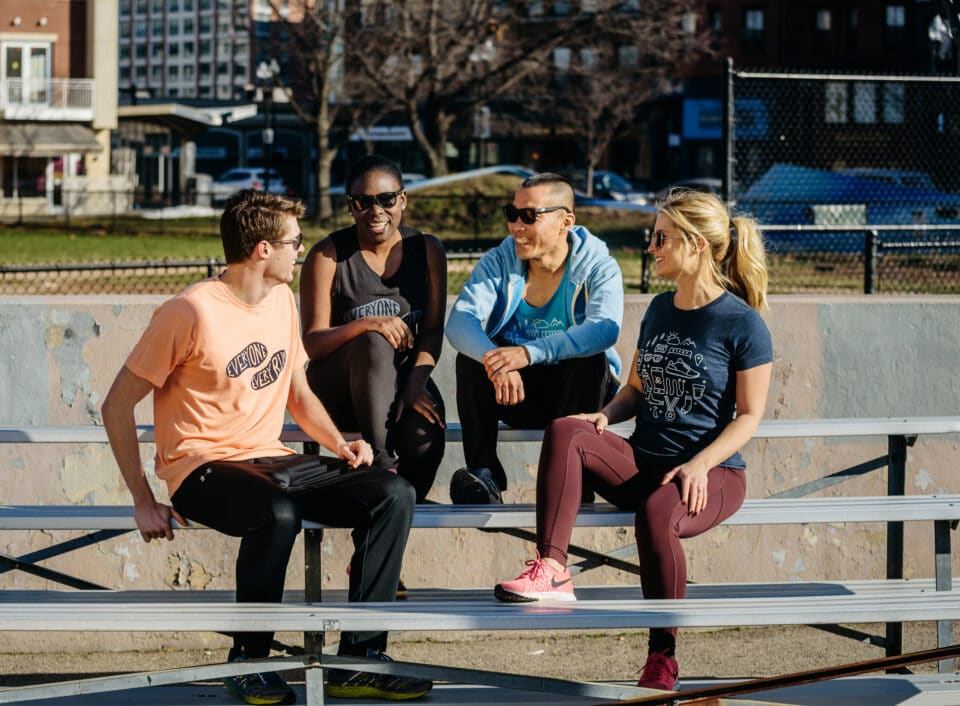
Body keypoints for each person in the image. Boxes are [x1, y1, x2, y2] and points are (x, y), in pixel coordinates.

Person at [101, 190, 432, 705]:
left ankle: (358, 660)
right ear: (262, 249)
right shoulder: (188, 311)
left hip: (274, 459)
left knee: (394, 493)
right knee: (277, 513)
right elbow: (115, 406)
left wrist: (340, 446)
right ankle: (250, 660)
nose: (301, 250)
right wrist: (144, 499)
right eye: (294, 242)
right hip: (201, 468)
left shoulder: (279, 300)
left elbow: (298, 393)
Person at [493, 189, 773, 692]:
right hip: (645, 461)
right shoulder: (661, 310)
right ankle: (552, 570)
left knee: (657, 513)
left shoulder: (742, 323)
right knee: (567, 429)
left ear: (697, 245)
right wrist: (603, 416)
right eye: (654, 236)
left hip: (713, 475)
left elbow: (750, 416)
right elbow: (636, 390)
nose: (652, 247)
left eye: (661, 237)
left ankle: (662, 658)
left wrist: (701, 465)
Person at [444, 173, 623, 504]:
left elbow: (605, 328)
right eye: (511, 214)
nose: (516, 227)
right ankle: (485, 475)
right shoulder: (500, 260)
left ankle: (575, 478)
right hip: (515, 393)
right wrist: (496, 362)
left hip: (579, 398)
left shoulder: (598, 264)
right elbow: (459, 321)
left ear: (564, 222)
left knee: (589, 358)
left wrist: (528, 353)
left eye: (529, 216)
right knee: (471, 358)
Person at [301, 155, 447, 503]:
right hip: (338, 390)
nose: (376, 211)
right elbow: (312, 344)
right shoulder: (327, 256)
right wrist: (365, 324)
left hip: (398, 383)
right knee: (373, 340)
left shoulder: (427, 250)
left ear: (403, 199)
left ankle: (383, 528)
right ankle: (382, 465)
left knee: (427, 430)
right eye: (363, 202)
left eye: (386, 199)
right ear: (350, 206)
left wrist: (415, 384)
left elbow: (431, 331)